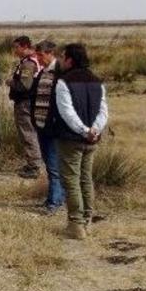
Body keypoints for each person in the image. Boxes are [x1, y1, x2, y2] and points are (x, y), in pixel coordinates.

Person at [48, 43, 108, 239]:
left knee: (71, 180)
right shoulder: (97, 81)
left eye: (63, 57)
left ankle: (76, 224)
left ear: (70, 60)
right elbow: (103, 111)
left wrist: (83, 130)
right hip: (92, 139)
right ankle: (87, 219)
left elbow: (66, 112)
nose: (61, 61)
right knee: (86, 179)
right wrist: (94, 130)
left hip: (71, 138)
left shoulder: (64, 82)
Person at [31, 40, 65, 215]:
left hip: (53, 128)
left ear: (51, 53)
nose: (38, 58)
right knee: (49, 163)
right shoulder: (42, 73)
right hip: (40, 124)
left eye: (41, 55)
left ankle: (54, 201)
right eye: (37, 54)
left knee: (53, 165)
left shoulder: (60, 73)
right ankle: (55, 197)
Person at [7, 35, 41, 178]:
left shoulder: (28, 64)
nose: (15, 51)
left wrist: (10, 82)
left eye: (16, 47)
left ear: (24, 46)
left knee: (27, 133)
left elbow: (24, 85)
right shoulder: (27, 61)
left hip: (25, 103)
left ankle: (34, 166)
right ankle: (32, 163)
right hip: (26, 102)